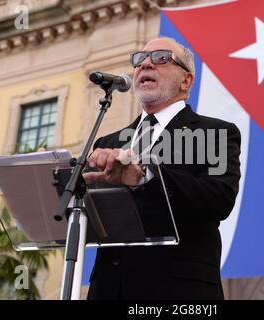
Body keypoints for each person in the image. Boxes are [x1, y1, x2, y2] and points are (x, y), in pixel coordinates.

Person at [83, 37, 241, 300]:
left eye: (161, 58)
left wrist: (146, 174)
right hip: (110, 290)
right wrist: (55, 179)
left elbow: (219, 198)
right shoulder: (107, 143)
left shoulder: (216, 133)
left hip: (178, 290)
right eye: (140, 60)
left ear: (186, 81)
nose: (145, 64)